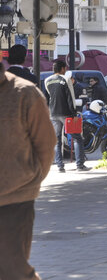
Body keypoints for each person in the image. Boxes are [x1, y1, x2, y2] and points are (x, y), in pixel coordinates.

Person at [0, 61, 56, 280]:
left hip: (15, 198)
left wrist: (30, 180)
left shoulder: (24, 93)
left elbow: (45, 144)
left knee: (12, 269)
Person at [45, 59, 89, 172]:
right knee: (77, 138)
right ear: (63, 69)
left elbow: (48, 96)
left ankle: (60, 166)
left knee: (57, 139)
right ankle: (80, 165)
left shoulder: (47, 80)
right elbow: (70, 97)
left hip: (53, 113)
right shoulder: (66, 79)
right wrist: (74, 113)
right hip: (67, 113)